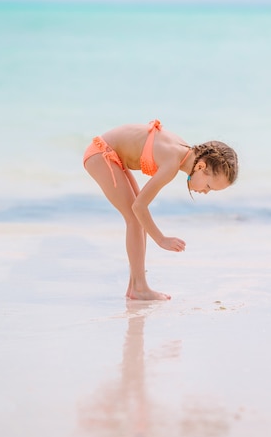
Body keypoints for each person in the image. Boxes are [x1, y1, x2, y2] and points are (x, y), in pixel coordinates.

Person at [83, 120, 238, 301]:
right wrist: (161, 239)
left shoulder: (182, 151)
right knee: (134, 218)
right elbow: (139, 206)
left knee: (137, 220)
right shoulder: (172, 161)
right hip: (101, 154)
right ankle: (139, 287)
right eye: (209, 187)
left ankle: (135, 286)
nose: (205, 192)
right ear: (201, 166)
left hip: (110, 155)